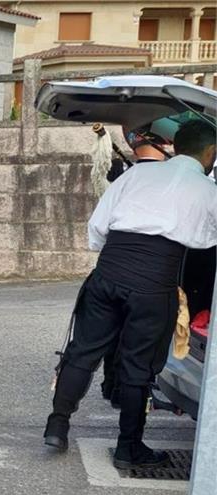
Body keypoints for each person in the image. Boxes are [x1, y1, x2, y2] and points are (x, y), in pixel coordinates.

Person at [44, 119, 217, 469]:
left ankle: (57, 426)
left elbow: (98, 228)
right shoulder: (207, 190)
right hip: (154, 285)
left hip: (108, 273)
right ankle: (129, 449)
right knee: (138, 369)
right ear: (210, 153)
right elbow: (204, 241)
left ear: (174, 145)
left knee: (82, 353)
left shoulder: (137, 175)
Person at [99, 126, 170, 406]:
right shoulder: (139, 177)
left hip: (116, 264)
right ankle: (116, 388)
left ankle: (113, 386)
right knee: (133, 341)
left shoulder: (127, 175)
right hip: (148, 271)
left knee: (116, 332)